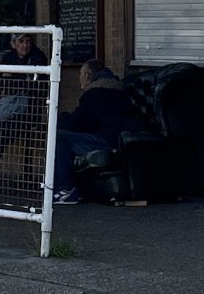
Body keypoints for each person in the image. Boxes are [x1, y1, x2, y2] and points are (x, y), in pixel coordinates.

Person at [53, 61, 140, 202]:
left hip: (104, 142)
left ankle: (66, 188)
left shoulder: (95, 94)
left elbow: (76, 123)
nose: (79, 78)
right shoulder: (119, 90)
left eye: (81, 74)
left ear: (88, 75)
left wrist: (63, 118)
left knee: (57, 137)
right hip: (120, 140)